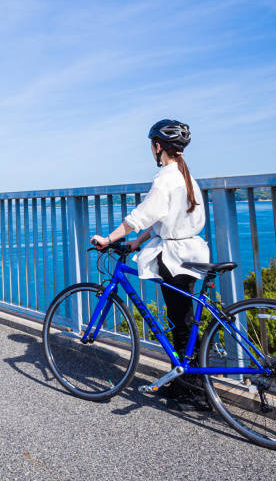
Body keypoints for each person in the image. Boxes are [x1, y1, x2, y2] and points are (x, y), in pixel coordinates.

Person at [92, 119, 208, 401]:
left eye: (152, 146)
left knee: (181, 321)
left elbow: (142, 215)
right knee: (182, 318)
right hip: (191, 251)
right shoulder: (185, 176)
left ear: (158, 147)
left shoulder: (166, 177)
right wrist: (137, 243)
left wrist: (110, 239)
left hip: (176, 258)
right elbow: (161, 220)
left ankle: (195, 392)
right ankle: (184, 383)